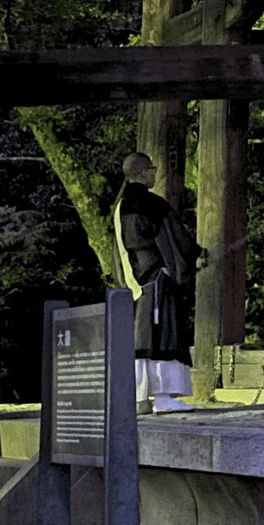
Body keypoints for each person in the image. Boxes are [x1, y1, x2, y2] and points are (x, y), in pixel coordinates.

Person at [113, 152, 195, 366]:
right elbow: (178, 241)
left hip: (133, 278)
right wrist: (198, 253)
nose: (155, 175)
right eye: (152, 170)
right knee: (163, 333)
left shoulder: (120, 208)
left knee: (140, 332)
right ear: (142, 172)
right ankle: (163, 394)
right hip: (158, 277)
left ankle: (140, 394)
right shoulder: (155, 204)